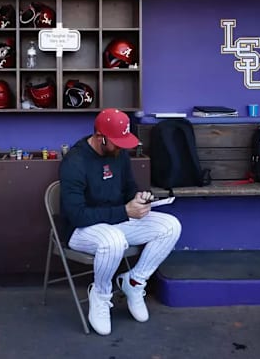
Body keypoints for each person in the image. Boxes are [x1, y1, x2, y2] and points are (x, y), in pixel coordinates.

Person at [59, 108, 182, 336]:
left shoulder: (119, 153)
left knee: (170, 225)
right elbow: (77, 215)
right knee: (114, 240)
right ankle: (101, 294)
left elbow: (128, 188)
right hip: (80, 230)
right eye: (117, 142)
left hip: (115, 219)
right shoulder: (75, 161)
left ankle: (134, 283)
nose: (122, 147)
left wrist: (137, 199)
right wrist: (125, 211)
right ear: (99, 137)